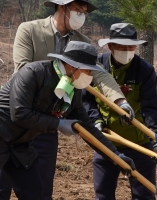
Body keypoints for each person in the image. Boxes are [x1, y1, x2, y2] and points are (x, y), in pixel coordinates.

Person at [0, 41, 136, 200]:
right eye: (88, 71)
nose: (90, 76)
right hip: (2, 134)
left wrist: (115, 155)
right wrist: (59, 124)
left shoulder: (73, 90)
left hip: (20, 145)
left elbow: (87, 127)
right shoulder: (33, 73)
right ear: (73, 66)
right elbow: (20, 113)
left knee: (34, 192)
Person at [0, 0, 99, 199]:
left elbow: (99, 80)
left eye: (84, 12)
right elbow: (23, 72)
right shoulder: (29, 31)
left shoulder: (82, 43)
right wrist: (59, 120)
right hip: (12, 122)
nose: (82, 16)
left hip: (40, 130)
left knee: (39, 190)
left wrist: (114, 153)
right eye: (78, 11)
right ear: (62, 7)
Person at [85, 23, 157, 200]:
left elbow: (152, 107)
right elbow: (86, 99)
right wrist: (95, 121)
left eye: (131, 47)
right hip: (107, 141)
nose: (128, 51)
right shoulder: (96, 66)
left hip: (138, 144)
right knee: (103, 194)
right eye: (122, 47)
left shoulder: (144, 70)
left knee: (143, 195)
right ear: (111, 46)